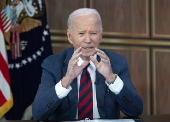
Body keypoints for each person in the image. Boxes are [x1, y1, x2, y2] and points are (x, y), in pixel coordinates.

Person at [32, 8, 143, 120]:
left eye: (93, 33)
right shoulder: (52, 64)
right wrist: (66, 80)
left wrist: (111, 79)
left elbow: (135, 111)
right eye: (81, 33)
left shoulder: (117, 62)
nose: (88, 40)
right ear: (70, 36)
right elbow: (38, 113)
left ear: (101, 35)